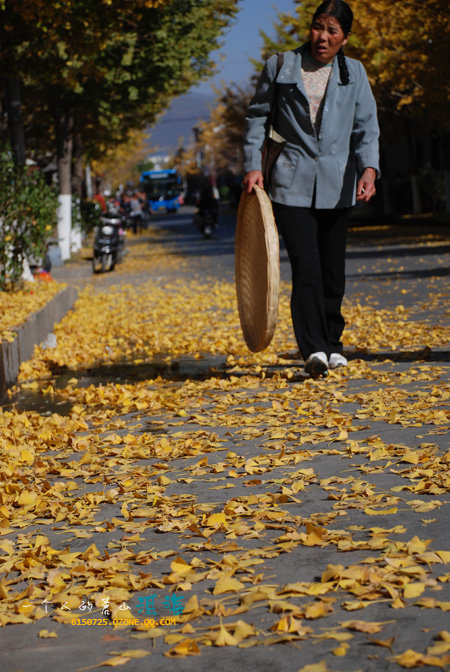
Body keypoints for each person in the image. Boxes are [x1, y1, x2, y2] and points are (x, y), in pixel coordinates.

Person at [243, 0, 379, 378]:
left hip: (338, 183)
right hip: (290, 180)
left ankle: (333, 343)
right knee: (306, 268)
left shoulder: (355, 73)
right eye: (318, 27)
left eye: (332, 31)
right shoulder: (281, 65)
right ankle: (313, 348)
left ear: (345, 38)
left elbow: (367, 127)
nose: (322, 37)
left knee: (333, 270)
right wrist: (253, 166)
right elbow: (256, 118)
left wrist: (369, 168)